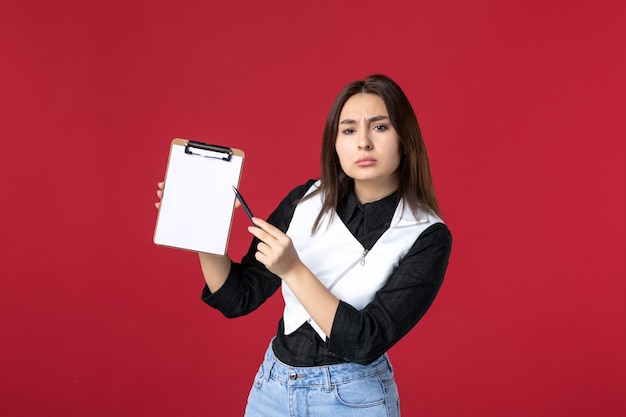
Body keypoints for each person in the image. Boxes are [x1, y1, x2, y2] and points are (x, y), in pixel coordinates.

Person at [155, 74, 452, 416]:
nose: (364, 143)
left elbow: (366, 341)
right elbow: (239, 297)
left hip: (354, 400)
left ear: (405, 138)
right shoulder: (304, 200)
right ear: (334, 142)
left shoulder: (427, 235)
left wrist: (294, 270)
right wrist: (202, 227)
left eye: (380, 127)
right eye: (349, 129)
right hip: (273, 389)